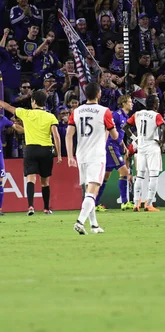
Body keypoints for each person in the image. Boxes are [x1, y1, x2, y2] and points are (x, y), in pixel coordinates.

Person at [67, 82, 118, 235]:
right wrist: (108, 130)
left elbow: (69, 134)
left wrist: (70, 156)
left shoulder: (76, 111)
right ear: (98, 94)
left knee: (88, 190)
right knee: (93, 190)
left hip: (81, 154)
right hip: (96, 154)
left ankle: (94, 225)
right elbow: (115, 135)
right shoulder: (104, 111)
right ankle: (80, 221)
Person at [0, 91, 61, 215]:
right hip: (46, 150)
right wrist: (59, 154)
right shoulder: (51, 117)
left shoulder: (26, 113)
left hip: (31, 149)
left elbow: (8, 107)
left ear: (33, 102)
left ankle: (31, 207)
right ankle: (46, 208)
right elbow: (56, 135)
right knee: (45, 182)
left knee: (30, 179)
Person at [124, 94, 165, 212]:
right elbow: (164, 129)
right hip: (152, 146)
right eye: (157, 102)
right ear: (154, 104)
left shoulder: (137, 114)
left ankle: (136, 203)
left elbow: (125, 127)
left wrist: (135, 139)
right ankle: (149, 204)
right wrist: (162, 142)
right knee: (153, 176)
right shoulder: (156, 115)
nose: (158, 104)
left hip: (141, 147)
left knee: (139, 176)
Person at [95, 95, 134, 212]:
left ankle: (95, 203)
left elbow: (117, 133)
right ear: (124, 103)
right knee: (124, 172)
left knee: (105, 177)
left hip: (115, 146)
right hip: (111, 147)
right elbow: (108, 128)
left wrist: (123, 146)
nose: (132, 104)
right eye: (130, 102)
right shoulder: (116, 115)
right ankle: (124, 202)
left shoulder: (125, 116)